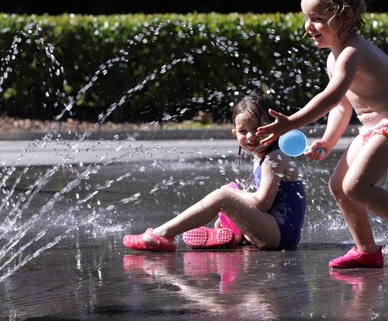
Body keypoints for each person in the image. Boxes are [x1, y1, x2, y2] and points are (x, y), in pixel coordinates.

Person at [257, 0, 388, 269]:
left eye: (317, 18)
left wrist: (292, 121)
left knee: (356, 187)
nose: (308, 26)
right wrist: (328, 140)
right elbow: (341, 106)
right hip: (372, 132)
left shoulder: (354, 53)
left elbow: (329, 96)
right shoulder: (334, 58)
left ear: (345, 16)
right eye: (305, 17)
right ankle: (366, 250)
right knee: (338, 186)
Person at [123, 94, 306, 252]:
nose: (250, 136)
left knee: (225, 195)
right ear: (235, 133)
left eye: (258, 129)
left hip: (280, 236)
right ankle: (234, 232)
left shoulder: (275, 158)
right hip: (272, 231)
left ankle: (161, 235)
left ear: (273, 127)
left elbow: (262, 203)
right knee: (232, 191)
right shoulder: (261, 155)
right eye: (243, 131)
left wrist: (231, 195)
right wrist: (234, 210)